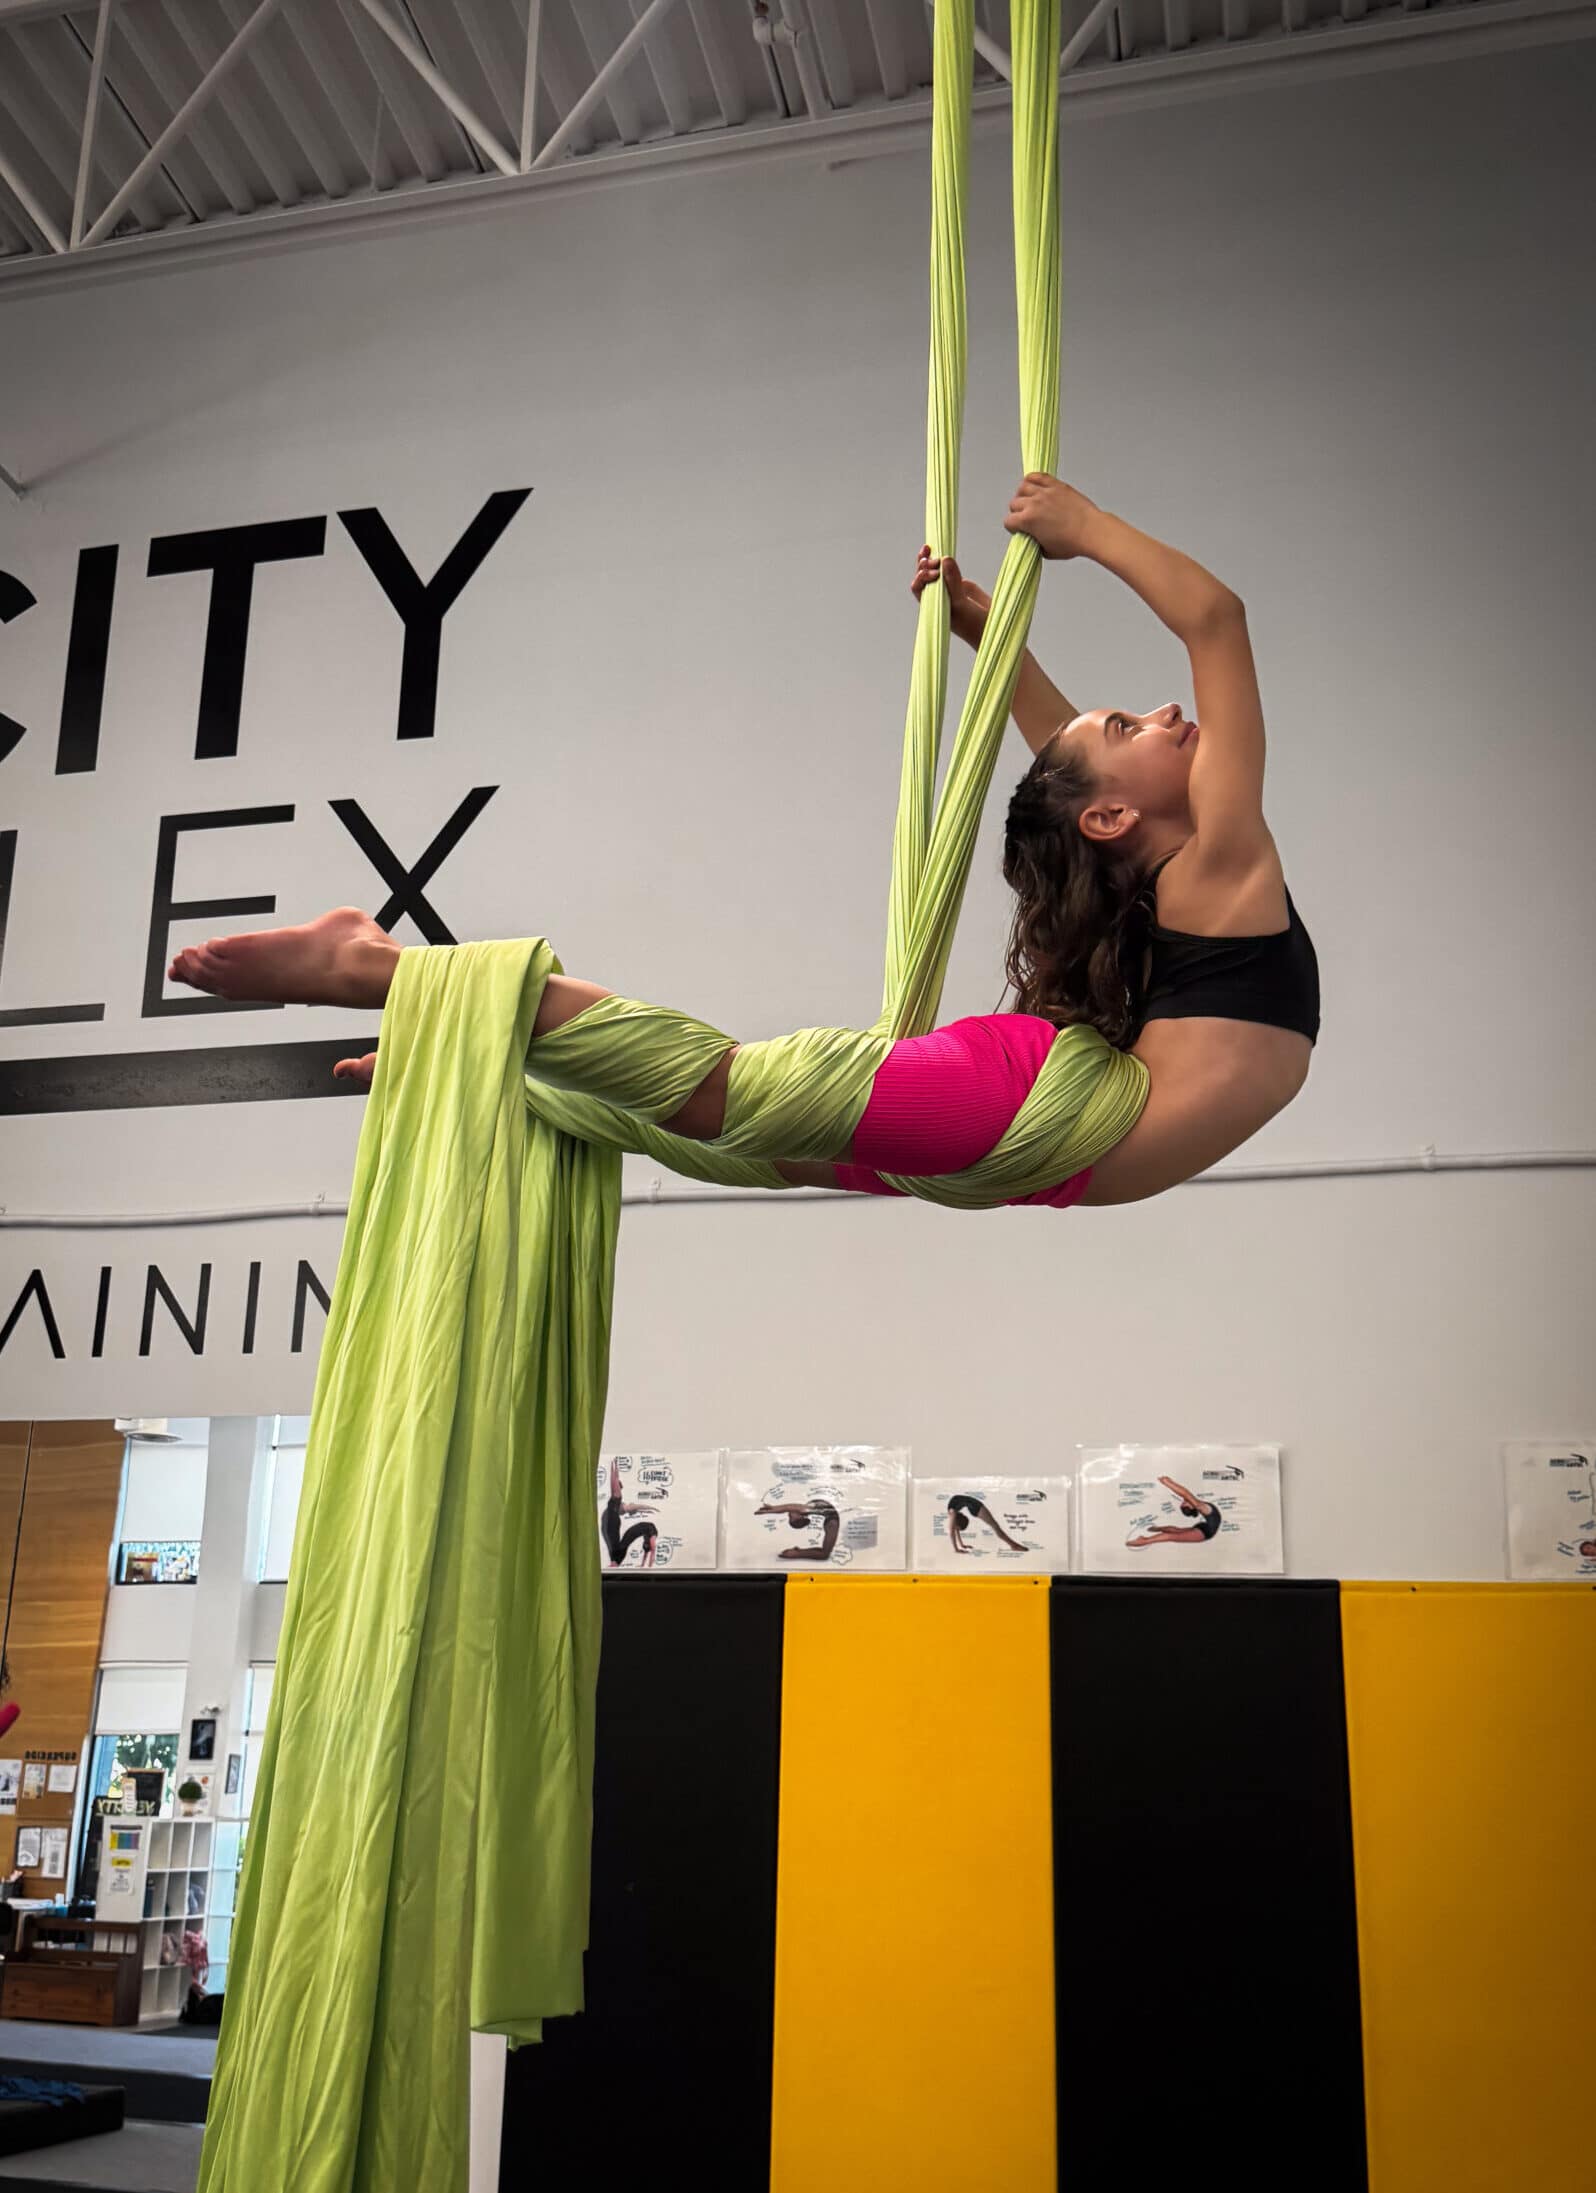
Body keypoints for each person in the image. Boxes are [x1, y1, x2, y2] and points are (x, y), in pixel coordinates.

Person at [166, 476, 1318, 1209]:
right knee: (738, 1096)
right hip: (1063, 1123)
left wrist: (1018, 606)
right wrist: (1065, 553)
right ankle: (377, 969)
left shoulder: (1197, 865)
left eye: (1139, 717)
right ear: (1115, 821)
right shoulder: (1212, 865)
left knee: (753, 1146)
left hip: (1066, 1140)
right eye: (1136, 722)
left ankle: (496, 1063)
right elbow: (1203, 632)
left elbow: (1148, 694)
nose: (1169, 712)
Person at [1126, 1474, 1223, 1549]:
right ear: (1191, 1507)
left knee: (1173, 1533)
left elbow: (1185, 1494)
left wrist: (1168, 1483)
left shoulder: (1201, 1506)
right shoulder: (1201, 1506)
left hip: (1204, 1529)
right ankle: (1151, 1535)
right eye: (1185, 1503)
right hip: (1205, 1529)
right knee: (1173, 1533)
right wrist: (1168, 1483)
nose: (1184, 1501)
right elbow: (1185, 1494)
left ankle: (1150, 1535)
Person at [600, 1457, 658, 1570]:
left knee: (614, 1545)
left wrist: (614, 1468)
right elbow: (614, 1481)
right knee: (614, 1545)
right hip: (611, 1522)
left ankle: (614, 1562)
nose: (618, 1486)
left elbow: (614, 1481)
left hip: (612, 1522)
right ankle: (614, 1562)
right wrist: (614, 1468)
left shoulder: (617, 1501)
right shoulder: (617, 1499)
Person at [754, 1500, 840, 1562]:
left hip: (831, 1520)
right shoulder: (803, 1510)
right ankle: (797, 1553)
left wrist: (772, 1508)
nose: (788, 1514)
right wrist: (771, 1509)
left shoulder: (804, 1509)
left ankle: (796, 1553)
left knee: (824, 1554)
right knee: (824, 1554)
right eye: (790, 1518)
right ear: (799, 1517)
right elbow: (786, 1507)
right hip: (832, 1522)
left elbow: (786, 1507)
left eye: (789, 1517)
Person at [947, 1492, 1028, 1554]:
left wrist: (957, 1549)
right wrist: (961, 1545)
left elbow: (952, 1532)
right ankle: (1013, 1545)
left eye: (956, 1527)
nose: (956, 1530)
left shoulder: (952, 1513)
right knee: (994, 1525)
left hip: (976, 1506)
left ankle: (1013, 1545)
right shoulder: (953, 1513)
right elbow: (955, 1530)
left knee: (995, 1525)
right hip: (973, 1506)